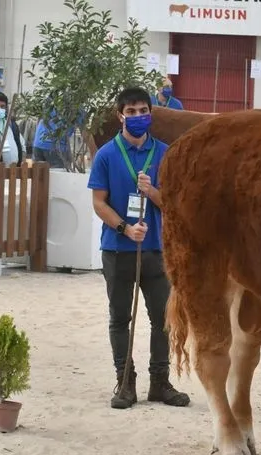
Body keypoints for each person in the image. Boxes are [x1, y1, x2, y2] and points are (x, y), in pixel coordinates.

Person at [87, 86, 190, 410]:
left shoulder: (163, 153)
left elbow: (173, 204)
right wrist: (124, 228)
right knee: (120, 318)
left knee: (163, 318)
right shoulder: (106, 155)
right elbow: (98, 202)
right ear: (121, 116)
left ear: (150, 113)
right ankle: (125, 381)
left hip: (156, 250)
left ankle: (159, 381)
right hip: (118, 250)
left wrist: (152, 191)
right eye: (130, 112)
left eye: (142, 111)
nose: (137, 117)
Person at [0, 91, 25, 166]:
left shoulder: (11, 124)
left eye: (2, 106)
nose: (0, 109)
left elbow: (20, 144)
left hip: (12, 171)